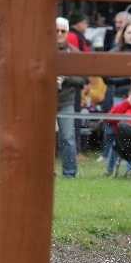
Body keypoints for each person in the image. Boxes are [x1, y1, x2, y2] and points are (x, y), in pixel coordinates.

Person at [101, 21, 131, 173]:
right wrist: (128, 78)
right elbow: (106, 78)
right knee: (118, 133)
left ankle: (130, 169)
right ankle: (110, 168)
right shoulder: (114, 53)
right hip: (120, 96)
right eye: (129, 33)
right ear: (123, 34)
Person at [56, 17, 88, 179]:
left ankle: (69, 173)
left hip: (66, 101)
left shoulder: (74, 52)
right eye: (56, 31)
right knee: (42, 140)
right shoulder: (41, 49)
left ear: (67, 33)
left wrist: (66, 78)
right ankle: (44, 173)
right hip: (44, 102)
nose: (59, 34)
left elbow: (84, 78)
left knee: (68, 138)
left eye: (63, 31)